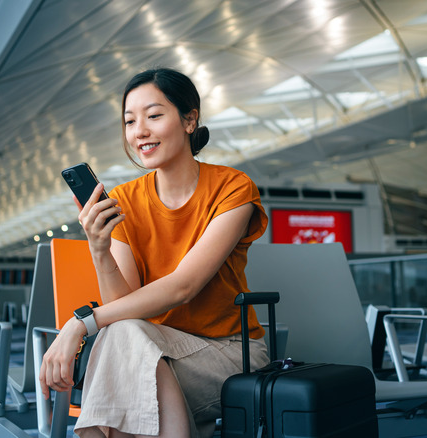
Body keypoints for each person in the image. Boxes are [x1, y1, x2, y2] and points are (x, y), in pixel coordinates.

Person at [39, 67, 270, 438]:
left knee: (121, 371)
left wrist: (80, 323)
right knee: (127, 345)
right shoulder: (126, 201)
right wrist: (99, 249)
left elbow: (183, 287)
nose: (139, 131)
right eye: (130, 121)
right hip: (146, 346)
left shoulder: (232, 188)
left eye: (154, 115)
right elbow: (124, 307)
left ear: (189, 119)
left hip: (228, 352)